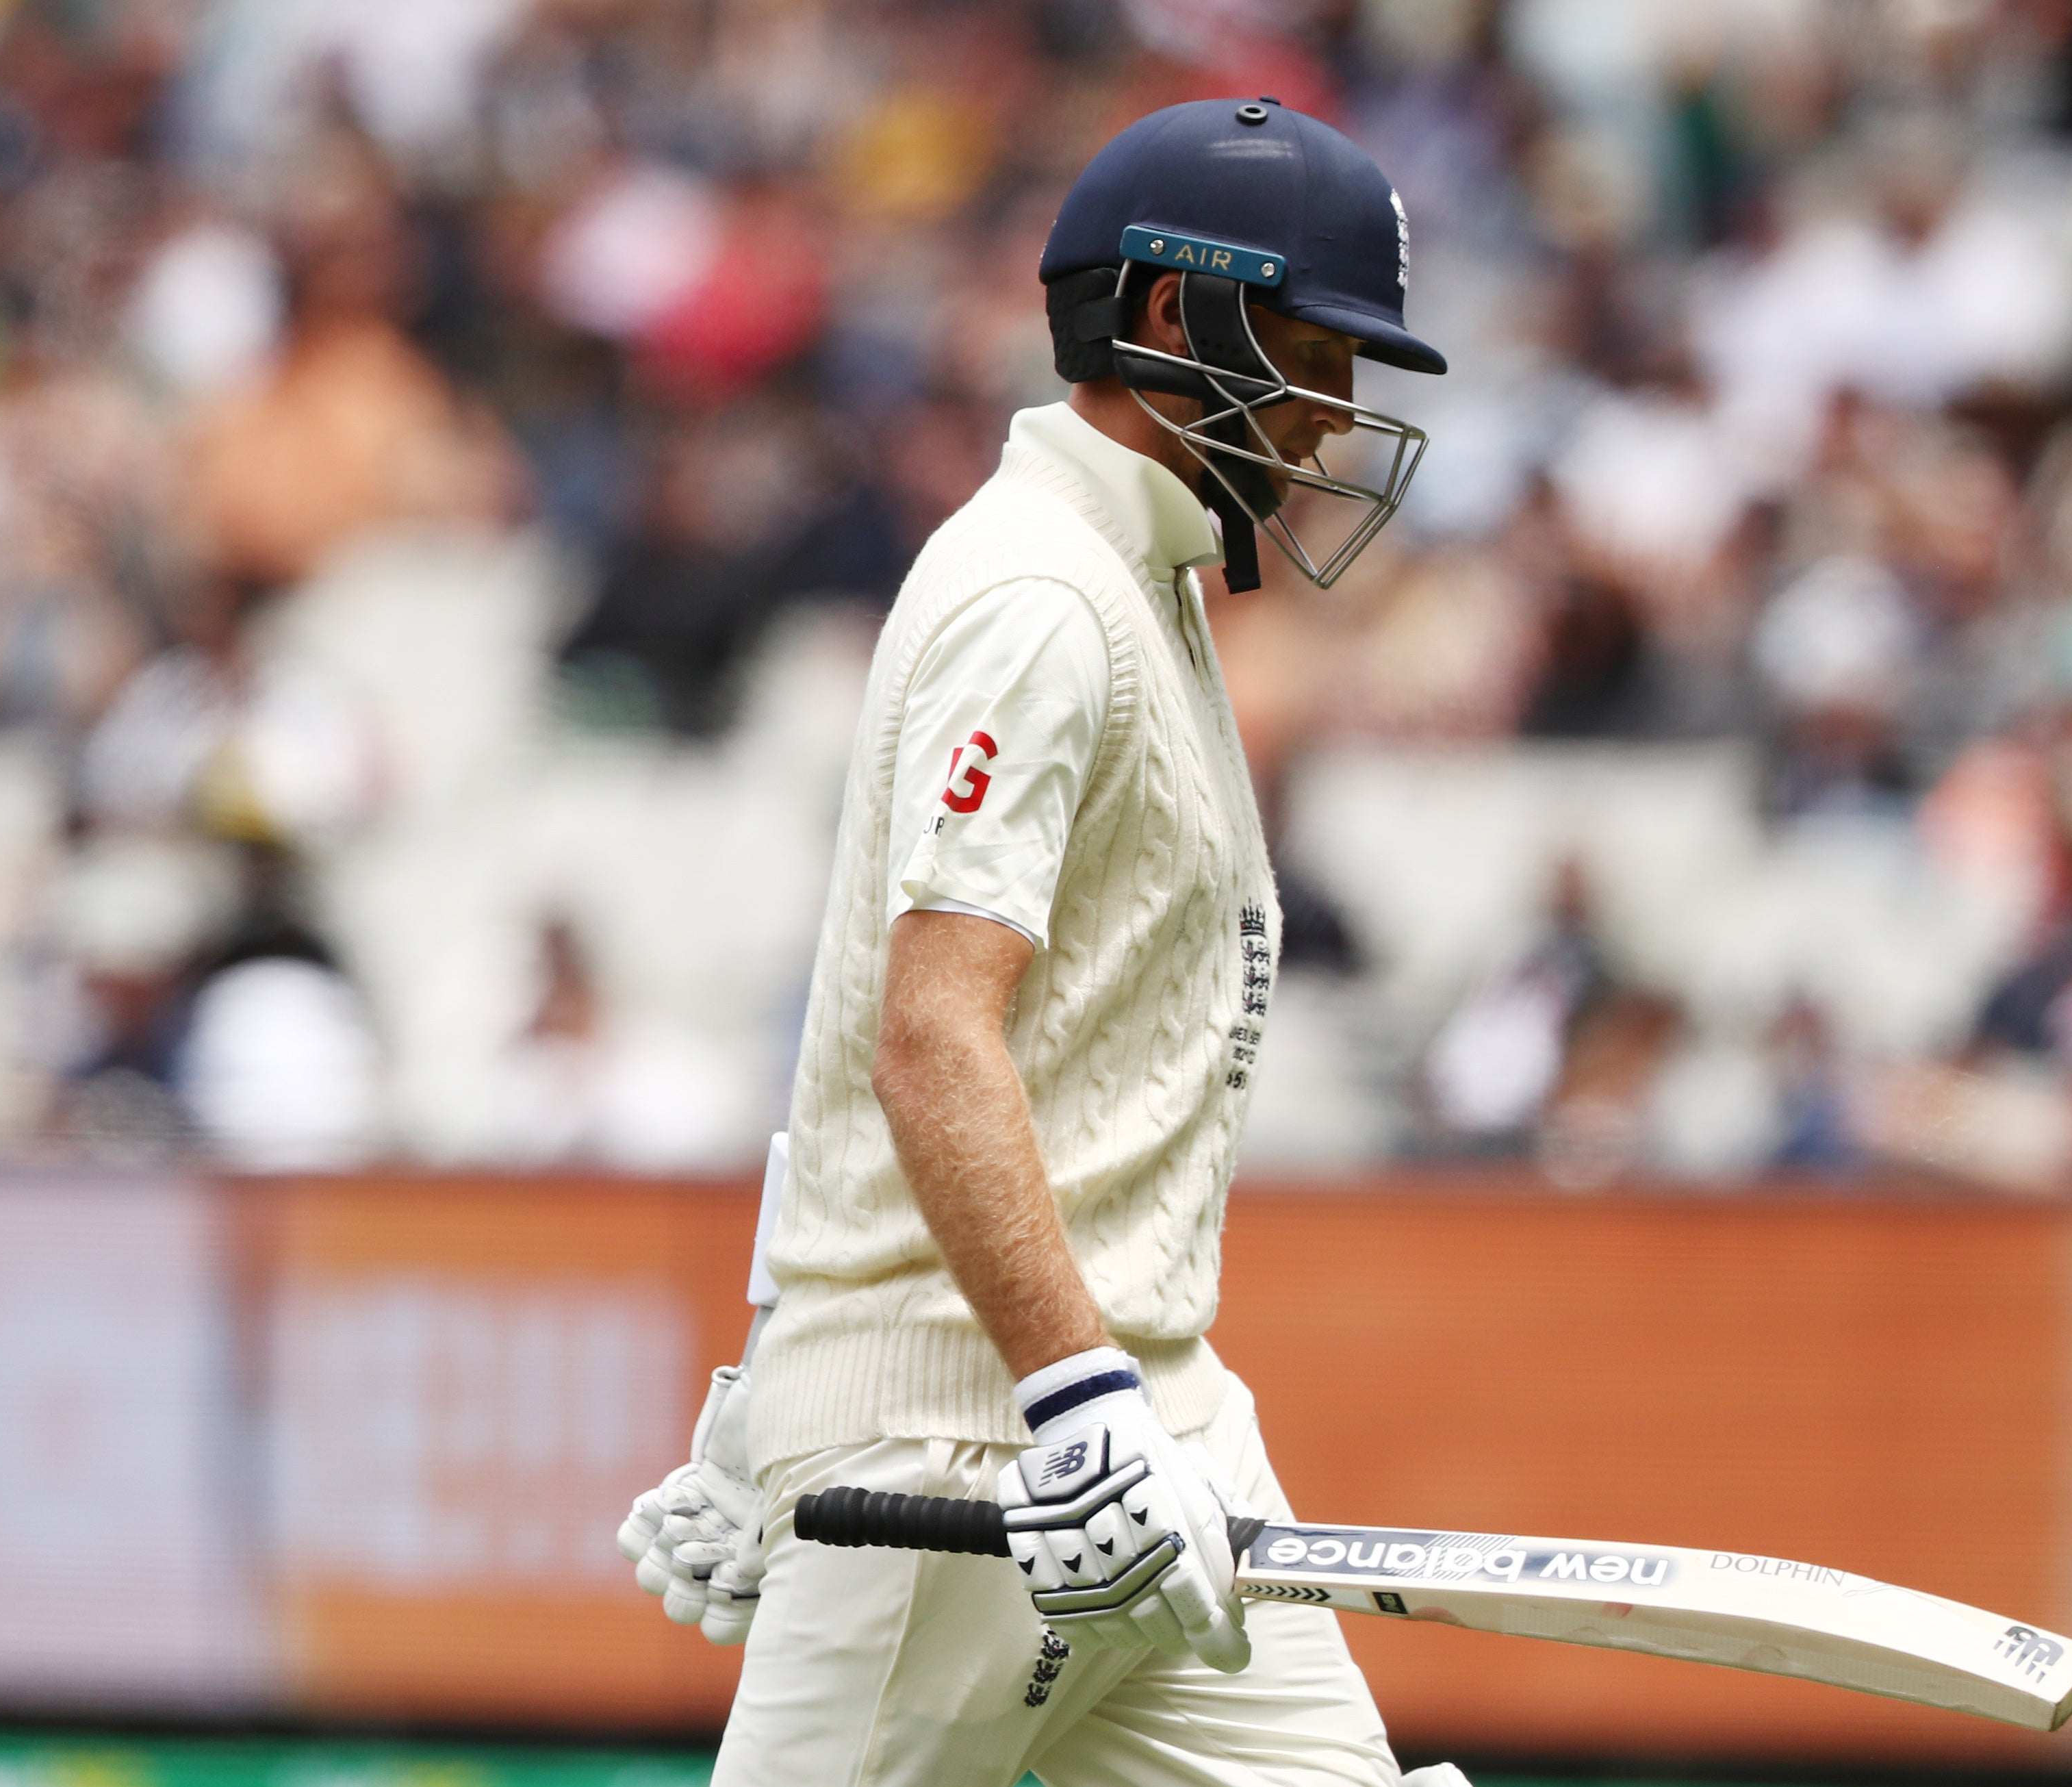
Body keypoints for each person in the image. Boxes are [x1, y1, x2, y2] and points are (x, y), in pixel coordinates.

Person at [615, 99, 1470, 1786]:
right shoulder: (1040, 596)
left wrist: (816, 1374)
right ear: (1172, 317)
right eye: (1313, 352)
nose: (1333, 421)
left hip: (1148, 1425)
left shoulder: (1131, 579)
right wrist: (943, 1396)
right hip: (978, 1445)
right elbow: (928, 1032)